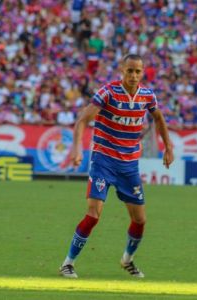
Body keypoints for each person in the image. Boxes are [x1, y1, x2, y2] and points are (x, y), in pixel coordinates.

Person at [59, 54, 174, 278]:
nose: (133, 75)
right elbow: (83, 119)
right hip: (103, 160)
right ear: (122, 70)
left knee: (140, 220)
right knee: (93, 215)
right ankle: (67, 263)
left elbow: (159, 119)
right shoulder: (108, 92)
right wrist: (77, 148)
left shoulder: (147, 96)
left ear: (143, 73)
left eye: (137, 72)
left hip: (129, 166)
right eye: (129, 70)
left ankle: (127, 260)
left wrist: (168, 146)